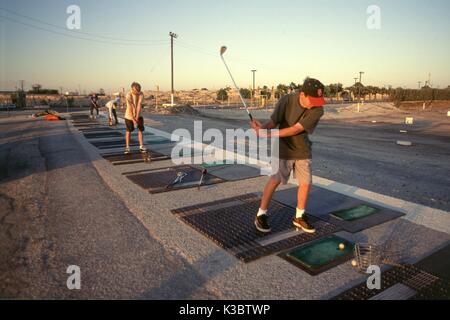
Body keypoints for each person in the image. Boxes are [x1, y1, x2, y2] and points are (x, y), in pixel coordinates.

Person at [250, 78, 326, 234]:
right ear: (302, 94)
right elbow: (273, 121)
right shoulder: (287, 99)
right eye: (312, 99)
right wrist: (262, 129)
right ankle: (261, 214)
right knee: (275, 179)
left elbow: (295, 130)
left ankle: (299, 217)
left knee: (306, 182)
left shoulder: (318, 109)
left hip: (302, 148)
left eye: (317, 100)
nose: (314, 103)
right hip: (283, 147)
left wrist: (268, 134)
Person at [124, 82, 147, 154]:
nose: (138, 93)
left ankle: (141, 146)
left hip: (139, 115)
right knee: (129, 131)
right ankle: (127, 147)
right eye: (136, 91)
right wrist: (133, 119)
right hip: (129, 116)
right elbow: (130, 107)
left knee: (140, 130)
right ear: (132, 89)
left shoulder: (141, 94)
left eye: (139, 91)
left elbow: (139, 106)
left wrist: (136, 118)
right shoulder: (128, 95)